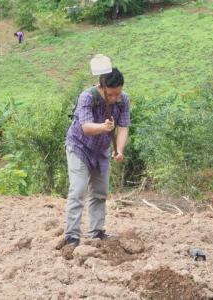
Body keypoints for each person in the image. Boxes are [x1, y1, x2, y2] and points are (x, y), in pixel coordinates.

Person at [62, 66, 130, 247]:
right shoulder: (87, 97)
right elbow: (86, 127)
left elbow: (123, 127)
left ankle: (96, 232)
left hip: (102, 151)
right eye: (111, 95)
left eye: (118, 94)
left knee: (100, 192)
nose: (115, 98)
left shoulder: (123, 100)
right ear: (101, 88)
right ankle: (71, 237)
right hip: (79, 147)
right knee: (78, 190)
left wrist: (120, 150)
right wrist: (103, 127)